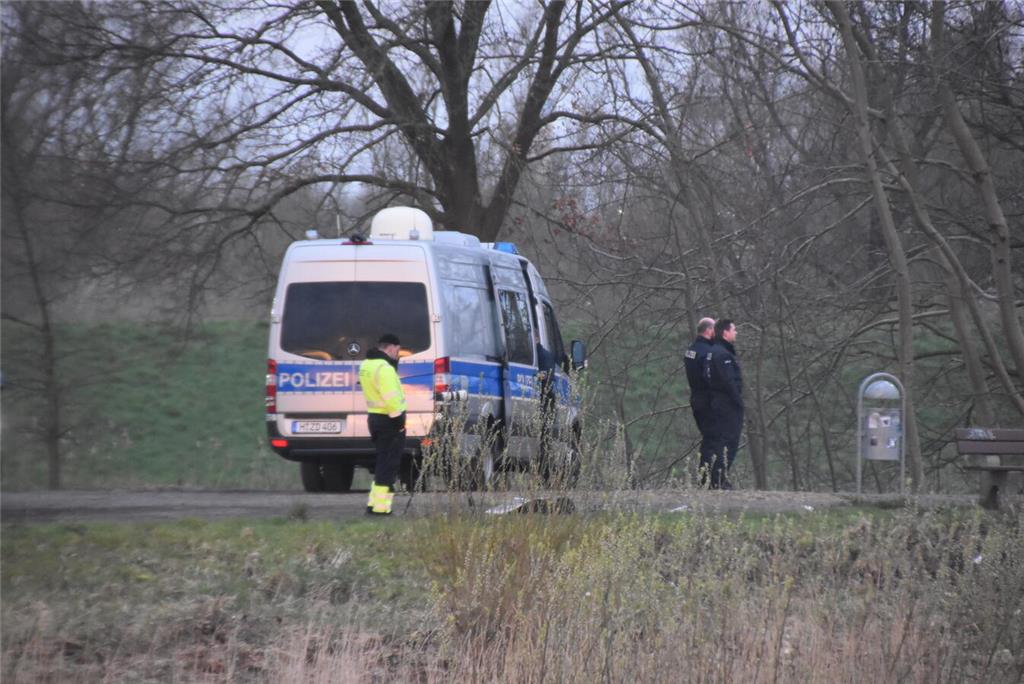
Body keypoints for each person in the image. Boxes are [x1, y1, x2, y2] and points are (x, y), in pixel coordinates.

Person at [359, 334, 407, 515]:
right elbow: (391, 398)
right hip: (389, 421)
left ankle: (374, 505)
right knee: (389, 467)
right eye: (398, 350)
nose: (398, 354)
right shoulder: (385, 368)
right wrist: (399, 422)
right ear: (392, 348)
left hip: (375, 419)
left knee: (382, 464)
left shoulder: (366, 365)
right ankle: (381, 509)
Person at [705, 319, 743, 490]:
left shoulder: (713, 352)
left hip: (717, 402)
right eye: (734, 330)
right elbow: (729, 382)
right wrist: (738, 402)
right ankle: (719, 479)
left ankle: (716, 478)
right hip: (726, 405)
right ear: (725, 332)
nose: (736, 333)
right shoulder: (722, 354)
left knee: (721, 441)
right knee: (729, 441)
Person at [684, 317, 716, 486]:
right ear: (709, 330)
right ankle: (708, 479)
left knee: (708, 438)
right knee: (712, 439)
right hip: (708, 401)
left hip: (696, 400)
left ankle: (706, 477)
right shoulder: (707, 352)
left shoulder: (691, 350)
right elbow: (709, 377)